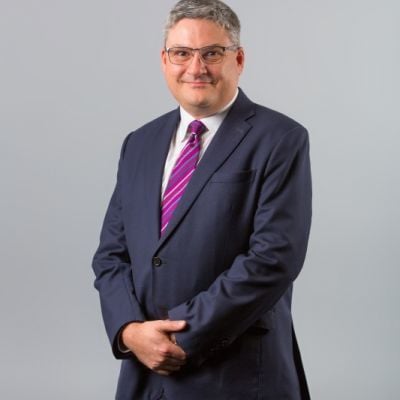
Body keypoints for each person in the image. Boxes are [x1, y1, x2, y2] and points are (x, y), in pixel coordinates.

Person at [92, 0, 312, 399]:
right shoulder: (139, 144)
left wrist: (177, 335)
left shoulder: (280, 139)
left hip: (236, 374)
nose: (196, 68)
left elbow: (274, 258)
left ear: (238, 58)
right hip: (144, 374)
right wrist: (129, 331)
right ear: (164, 60)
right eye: (182, 53)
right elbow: (111, 255)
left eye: (212, 53)